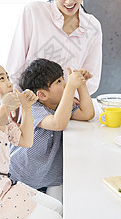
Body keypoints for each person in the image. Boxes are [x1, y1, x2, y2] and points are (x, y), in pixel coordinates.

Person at [0, 60, 63, 219]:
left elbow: (26, 141)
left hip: (4, 187)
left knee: (58, 208)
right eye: (2, 79)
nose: (9, 83)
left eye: (7, 77)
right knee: (54, 216)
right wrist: (4, 109)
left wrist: (26, 107)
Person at [6, 0, 102, 96]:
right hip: (31, 104)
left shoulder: (92, 26)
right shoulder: (34, 12)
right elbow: (15, 66)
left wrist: (70, 101)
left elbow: (91, 79)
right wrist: (17, 102)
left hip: (70, 106)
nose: (69, 0)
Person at [9, 58, 94, 202]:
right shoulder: (33, 109)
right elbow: (57, 123)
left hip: (47, 175)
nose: (65, 84)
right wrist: (71, 88)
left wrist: (81, 85)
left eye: (63, 79)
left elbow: (87, 113)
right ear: (41, 95)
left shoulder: (60, 106)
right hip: (22, 176)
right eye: (59, 82)